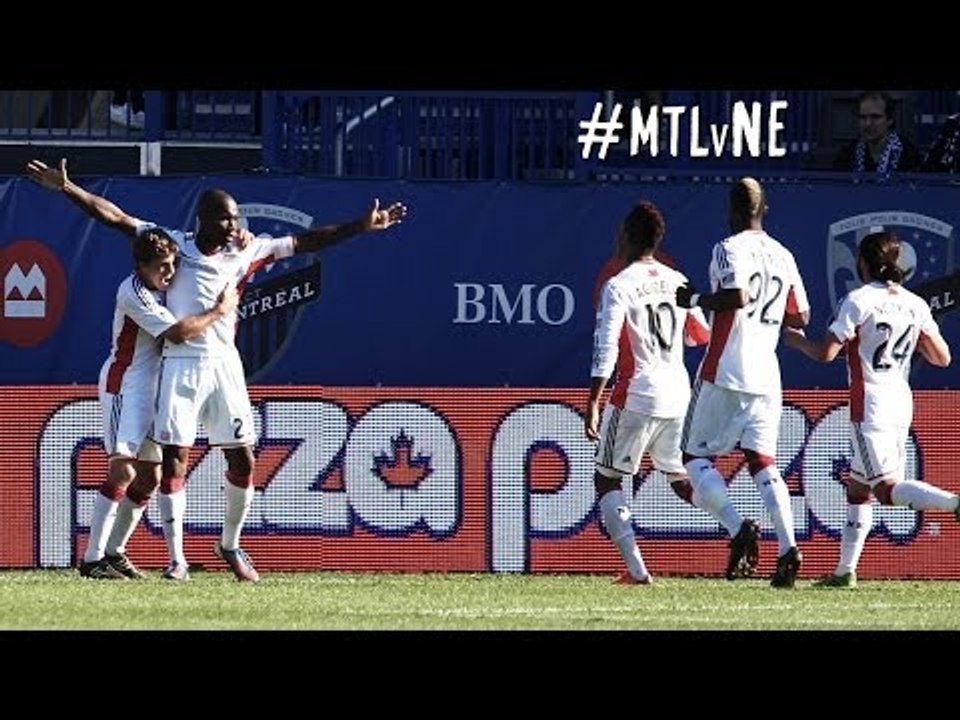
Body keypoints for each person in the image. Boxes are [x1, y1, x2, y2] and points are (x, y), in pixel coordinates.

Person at [26, 157, 407, 582]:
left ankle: (229, 543)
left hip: (224, 364)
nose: (233, 225)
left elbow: (305, 242)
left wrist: (360, 225)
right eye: (225, 218)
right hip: (178, 366)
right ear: (204, 219)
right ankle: (171, 560)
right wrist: (68, 188)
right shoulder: (172, 245)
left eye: (235, 218)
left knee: (242, 457)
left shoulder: (247, 250)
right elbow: (114, 216)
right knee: (170, 462)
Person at [783, 231, 960, 587]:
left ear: (863, 263)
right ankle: (845, 571)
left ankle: (955, 503)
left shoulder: (858, 300)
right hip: (900, 400)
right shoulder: (914, 304)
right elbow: (943, 358)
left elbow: (826, 353)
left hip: (872, 404)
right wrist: (915, 338)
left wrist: (798, 342)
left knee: (885, 489)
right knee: (858, 487)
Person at [77, 230, 238, 579]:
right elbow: (178, 334)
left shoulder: (168, 284)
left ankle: (114, 552)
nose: (169, 272)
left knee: (150, 477)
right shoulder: (132, 292)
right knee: (123, 470)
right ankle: (91, 560)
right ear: (141, 266)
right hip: (125, 385)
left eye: (172, 264)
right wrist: (220, 311)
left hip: (156, 388)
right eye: (161, 267)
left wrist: (238, 236)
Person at [676, 177, 809, 588]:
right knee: (763, 463)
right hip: (767, 375)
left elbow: (736, 297)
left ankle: (738, 527)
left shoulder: (727, 248)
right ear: (763, 209)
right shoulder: (784, 255)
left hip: (726, 370)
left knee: (693, 458)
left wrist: (695, 301)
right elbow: (801, 316)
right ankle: (787, 548)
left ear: (732, 211)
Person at [587, 200, 712, 584]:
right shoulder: (678, 280)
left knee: (607, 478)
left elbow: (605, 348)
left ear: (624, 237)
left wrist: (593, 401)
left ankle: (637, 570)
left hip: (637, 394)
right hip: (677, 395)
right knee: (679, 478)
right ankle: (736, 522)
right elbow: (701, 335)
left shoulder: (619, 285)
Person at [832, 91, 921, 179]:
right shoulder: (847, 155)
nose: (868, 123)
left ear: (890, 119)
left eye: (875, 117)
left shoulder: (909, 155)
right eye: (863, 117)